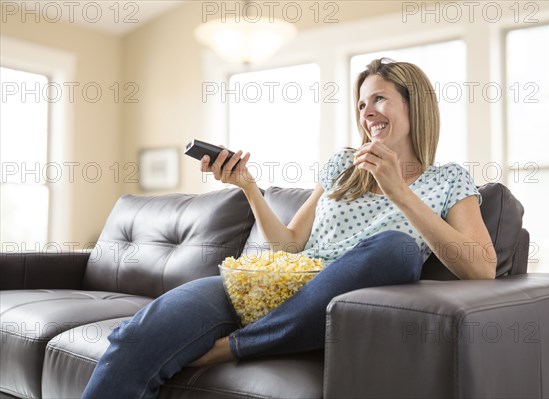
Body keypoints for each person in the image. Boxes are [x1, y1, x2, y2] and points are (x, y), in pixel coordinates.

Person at [82, 58, 497, 398]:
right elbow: (290, 245)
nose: (366, 111)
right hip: (274, 284)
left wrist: (399, 192)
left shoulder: (448, 179)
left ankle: (240, 344)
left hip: (336, 300)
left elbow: (481, 269)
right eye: (360, 104)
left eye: (379, 100)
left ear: (414, 105)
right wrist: (248, 187)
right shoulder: (343, 166)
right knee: (134, 338)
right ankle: (262, 332)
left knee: (396, 248)